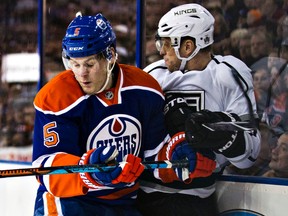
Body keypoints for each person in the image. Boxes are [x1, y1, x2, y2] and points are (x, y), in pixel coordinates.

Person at [32, 12, 199, 216]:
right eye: (74, 64)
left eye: (90, 64)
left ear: (110, 56)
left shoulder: (145, 89)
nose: (81, 74)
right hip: (71, 202)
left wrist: (172, 157)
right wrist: (88, 172)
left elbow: (153, 155)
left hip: (124, 203)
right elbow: (45, 167)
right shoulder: (56, 97)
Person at [136, 3, 261, 216]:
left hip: (197, 198)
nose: (162, 51)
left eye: (167, 43)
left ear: (188, 46)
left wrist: (221, 135)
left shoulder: (228, 74)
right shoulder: (153, 75)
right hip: (147, 193)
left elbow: (249, 156)